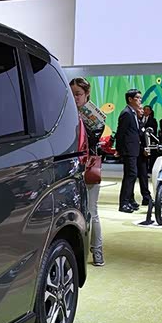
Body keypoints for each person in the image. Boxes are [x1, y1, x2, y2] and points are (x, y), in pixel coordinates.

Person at [70, 77, 105, 266]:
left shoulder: (94, 116)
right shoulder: (66, 113)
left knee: (92, 210)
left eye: (78, 94)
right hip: (70, 167)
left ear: (86, 94)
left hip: (88, 166)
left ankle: (97, 251)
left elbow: (92, 141)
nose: (75, 97)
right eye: (72, 94)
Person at [116, 89, 150, 212]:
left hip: (134, 150)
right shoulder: (126, 113)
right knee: (130, 175)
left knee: (132, 175)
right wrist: (119, 149)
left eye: (140, 98)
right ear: (130, 99)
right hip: (128, 150)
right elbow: (121, 133)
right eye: (137, 98)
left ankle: (129, 200)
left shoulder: (133, 113)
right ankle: (124, 203)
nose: (140, 100)